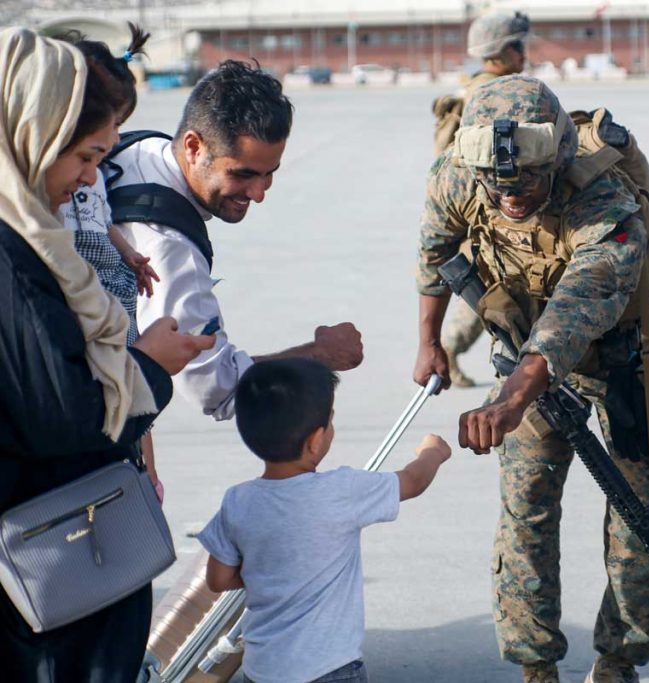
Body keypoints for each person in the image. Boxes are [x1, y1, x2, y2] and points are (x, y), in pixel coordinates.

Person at [414, 75, 649, 683]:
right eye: (498, 188)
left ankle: (618, 661)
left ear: (560, 160)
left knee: (644, 515)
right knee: (526, 511)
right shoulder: (459, 173)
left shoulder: (606, 202)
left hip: (630, 363)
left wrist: (512, 399)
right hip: (523, 359)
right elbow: (436, 249)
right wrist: (429, 342)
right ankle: (534, 666)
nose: (510, 198)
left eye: (527, 185)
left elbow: (576, 309)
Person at [0, 27, 212, 681]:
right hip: (48, 575)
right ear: (32, 135)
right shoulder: (13, 256)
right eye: (85, 157)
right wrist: (149, 364)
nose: (92, 180)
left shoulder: (32, 232)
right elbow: (63, 416)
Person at [109, 60, 364, 421]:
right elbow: (215, 388)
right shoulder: (167, 247)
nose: (258, 193)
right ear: (193, 146)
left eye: (268, 174)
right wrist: (320, 354)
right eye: (242, 174)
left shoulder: (142, 148)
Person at [197, 358, 451, 683]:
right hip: (331, 670)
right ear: (315, 440)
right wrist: (432, 452)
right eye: (330, 421)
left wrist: (272, 574)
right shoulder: (341, 490)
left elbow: (218, 580)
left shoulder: (238, 501)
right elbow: (412, 482)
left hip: (263, 670)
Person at [57, 23, 169, 501]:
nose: (110, 145)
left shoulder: (93, 175)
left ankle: (143, 466)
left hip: (109, 273)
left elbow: (102, 222)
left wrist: (131, 256)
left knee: (128, 363)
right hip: (82, 273)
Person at [431, 10, 531, 387]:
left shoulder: (478, 86)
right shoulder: (492, 95)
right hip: (487, 211)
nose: (524, 54)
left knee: (488, 290)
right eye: (517, 46)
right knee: (489, 293)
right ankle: (449, 350)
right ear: (500, 53)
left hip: (479, 209)